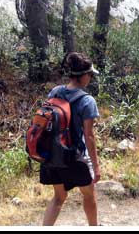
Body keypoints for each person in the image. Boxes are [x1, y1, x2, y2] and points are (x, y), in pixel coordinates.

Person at [41, 52, 101, 226]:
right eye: (90, 74)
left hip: (52, 155)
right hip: (74, 157)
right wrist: (96, 167)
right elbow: (89, 136)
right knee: (89, 194)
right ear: (82, 76)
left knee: (59, 197)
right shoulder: (87, 101)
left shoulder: (55, 91)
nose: (90, 78)